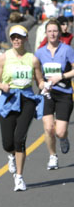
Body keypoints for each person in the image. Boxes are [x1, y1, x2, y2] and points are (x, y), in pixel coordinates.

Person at [0, 25, 44, 191]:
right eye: (14, 37)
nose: (16, 40)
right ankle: (11, 155)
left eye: (20, 37)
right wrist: (2, 86)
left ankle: (19, 178)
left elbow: (39, 81)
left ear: (25, 39)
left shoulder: (33, 59)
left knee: (20, 138)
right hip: (8, 100)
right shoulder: (4, 57)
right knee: (8, 143)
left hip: (27, 99)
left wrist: (46, 85)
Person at [35, 19, 74, 170]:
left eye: (55, 31)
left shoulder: (67, 49)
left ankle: (63, 138)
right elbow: (37, 73)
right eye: (49, 31)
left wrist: (61, 77)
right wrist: (40, 83)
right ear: (46, 33)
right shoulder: (40, 52)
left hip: (64, 93)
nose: (52, 34)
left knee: (60, 131)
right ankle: (53, 156)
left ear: (59, 33)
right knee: (48, 128)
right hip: (47, 94)